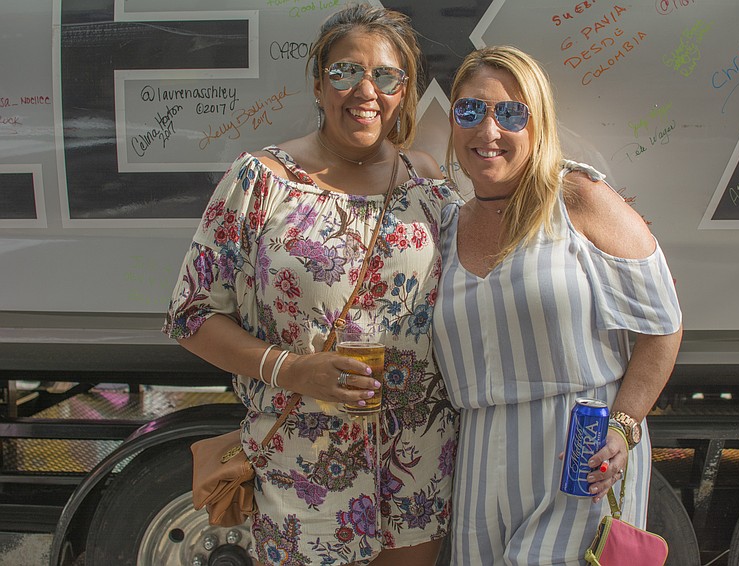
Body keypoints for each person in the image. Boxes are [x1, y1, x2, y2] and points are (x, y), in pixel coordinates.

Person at [163, 5, 460, 565]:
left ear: (404, 92)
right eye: (346, 72)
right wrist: (293, 369)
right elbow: (191, 315)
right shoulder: (261, 181)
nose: (365, 91)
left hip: (418, 459)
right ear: (319, 85)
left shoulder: (429, 183)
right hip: (303, 460)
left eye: (386, 76)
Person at [432, 46, 683, 565]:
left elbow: (662, 326)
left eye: (511, 113)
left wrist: (623, 426)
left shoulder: (577, 199)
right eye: (470, 110)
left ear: (538, 122)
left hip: (579, 449)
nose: (488, 130)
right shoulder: (447, 225)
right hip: (479, 453)